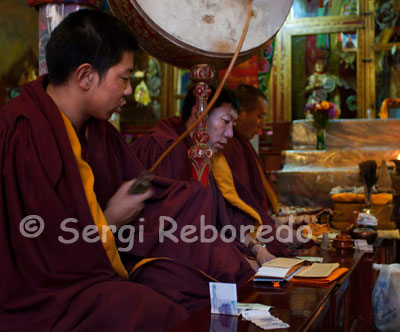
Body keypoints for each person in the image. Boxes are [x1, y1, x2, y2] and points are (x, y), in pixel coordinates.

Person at [0, 9, 253, 331]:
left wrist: (183, 203)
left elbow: (146, 200)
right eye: (124, 77)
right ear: (85, 76)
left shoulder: (99, 131)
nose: (129, 91)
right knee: (145, 308)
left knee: (190, 284)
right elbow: (40, 256)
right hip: (46, 294)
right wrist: (110, 220)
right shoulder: (21, 132)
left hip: (104, 258)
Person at [131, 85, 288, 268]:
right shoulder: (164, 149)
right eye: (225, 121)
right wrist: (236, 260)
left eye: (233, 125)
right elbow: (173, 235)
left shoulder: (206, 155)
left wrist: (257, 248)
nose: (230, 134)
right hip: (166, 260)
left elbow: (223, 219)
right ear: (199, 114)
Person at [216, 85, 297, 261]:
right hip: (238, 232)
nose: (262, 123)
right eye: (259, 116)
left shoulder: (240, 145)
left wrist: (273, 223)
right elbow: (237, 205)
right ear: (242, 113)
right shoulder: (228, 147)